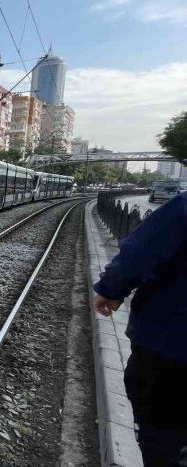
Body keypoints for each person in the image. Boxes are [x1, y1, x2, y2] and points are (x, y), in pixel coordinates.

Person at [93, 191, 187, 466]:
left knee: (163, 437)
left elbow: (140, 252)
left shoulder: (182, 208)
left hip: (170, 346)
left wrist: (111, 290)